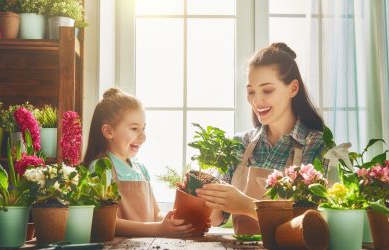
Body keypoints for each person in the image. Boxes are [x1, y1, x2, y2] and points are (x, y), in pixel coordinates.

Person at [195, 43, 327, 235]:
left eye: (267, 90)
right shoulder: (239, 144)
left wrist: (247, 205)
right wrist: (203, 190)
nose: (257, 101)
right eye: (251, 92)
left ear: (293, 88)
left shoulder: (318, 145)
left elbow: (318, 225)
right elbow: (214, 218)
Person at [83, 88, 200, 237]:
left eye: (143, 128)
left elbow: (156, 213)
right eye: (134, 128)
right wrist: (159, 229)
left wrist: (184, 223)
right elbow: (107, 223)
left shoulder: (141, 168)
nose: (143, 136)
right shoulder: (101, 168)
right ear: (109, 132)